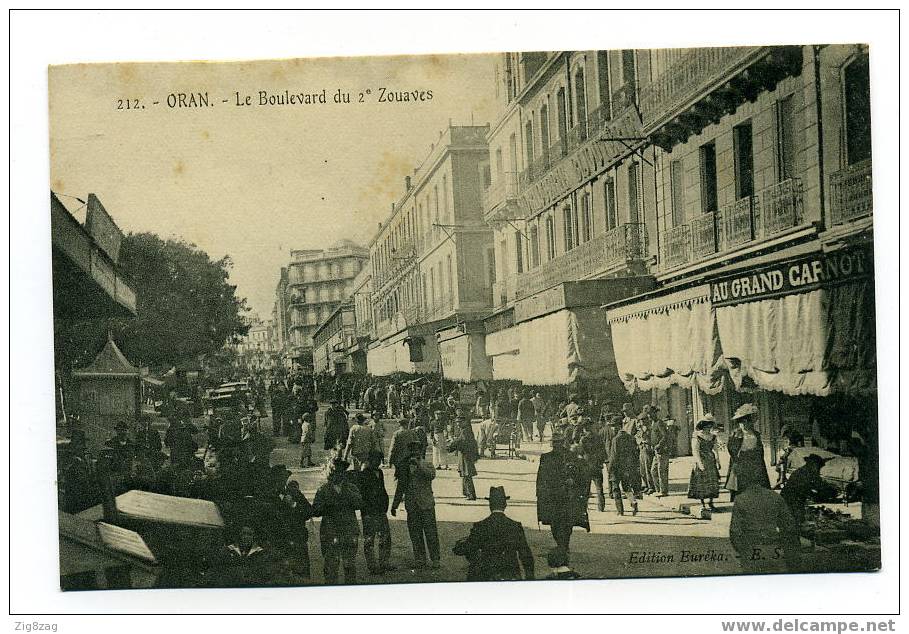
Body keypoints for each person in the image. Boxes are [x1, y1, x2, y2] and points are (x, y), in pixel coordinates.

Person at [452, 486, 534, 581]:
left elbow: (468, 547)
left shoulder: (481, 526)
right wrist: (530, 576)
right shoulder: (515, 526)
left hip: (487, 574)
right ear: (505, 505)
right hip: (510, 574)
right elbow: (525, 554)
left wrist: (458, 547)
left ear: (490, 505)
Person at [536, 429, 590, 562]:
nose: (557, 445)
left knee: (567, 522)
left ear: (563, 442)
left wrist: (573, 481)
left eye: (559, 442)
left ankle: (564, 545)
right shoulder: (546, 457)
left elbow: (581, 475)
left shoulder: (571, 456)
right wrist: (540, 493)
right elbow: (541, 477)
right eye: (555, 443)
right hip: (552, 495)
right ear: (552, 444)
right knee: (554, 522)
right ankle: (561, 545)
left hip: (568, 495)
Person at [729, 473, 800, 573]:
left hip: (751, 548)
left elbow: (734, 531)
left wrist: (742, 550)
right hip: (774, 548)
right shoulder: (776, 497)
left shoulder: (740, 499)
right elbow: (789, 525)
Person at [390, 440, 441, 569]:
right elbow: (400, 487)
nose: (414, 454)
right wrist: (395, 505)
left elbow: (431, 475)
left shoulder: (427, 464)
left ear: (421, 452)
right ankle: (420, 559)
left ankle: (435, 559)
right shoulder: (404, 466)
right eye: (412, 451)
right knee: (415, 534)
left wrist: (419, 465)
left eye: (417, 451)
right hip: (412, 505)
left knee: (431, 533)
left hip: (426, 504)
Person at [312, 457, 363, 584]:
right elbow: (315, 511)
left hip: (348, 530)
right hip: (330, 532)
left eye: (339, 472)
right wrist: (326, 506)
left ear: (344, 473)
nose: (335, 474)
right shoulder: (323, 490)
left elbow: (359, 504)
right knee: (331, 566)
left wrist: (347, 492)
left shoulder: (351, 488)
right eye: (333, 471)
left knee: (349, 565)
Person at [356, 450, 394, 574]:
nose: (377, 463)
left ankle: (384, 562)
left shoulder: (380, 473)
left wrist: (385, 504)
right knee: (369, 539)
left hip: (380, 510)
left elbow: (382, 489)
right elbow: (362, 494)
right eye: (375, 460)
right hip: (369, 511)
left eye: (379, 460)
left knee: (385, 537)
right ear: (370, 460)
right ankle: (372, 566)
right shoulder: (364, 474)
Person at [726, 403, 771, 501]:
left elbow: (760, 448)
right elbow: (731, 447)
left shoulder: (755, 434)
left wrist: (758, 458)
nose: (743, 425)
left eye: (746, 422)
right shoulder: (736, 434)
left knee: (756, 481)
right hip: (742, 460)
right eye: (741, 423)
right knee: (742, 482)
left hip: (754, 461)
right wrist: (736, 459)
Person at [780, 453, 838, 529]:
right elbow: (818, 486)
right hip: (791, 500)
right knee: (795, 522)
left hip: (793, 499)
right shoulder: (806, 473)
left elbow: (817, 485)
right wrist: (831, 491)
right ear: (813, 464)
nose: (819, 470)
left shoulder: (805, 471)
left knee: (795, 522)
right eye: (819, 467)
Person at [609, 418, 643, 516]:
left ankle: (620, 511)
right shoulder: (630, 438)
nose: (612, 428)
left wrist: (610, 468)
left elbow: (614, 456)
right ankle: (633, 502)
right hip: (627, 467)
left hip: (617, 467)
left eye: (613, 426)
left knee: (615, 488)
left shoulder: (616, 439)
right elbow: (635, 453)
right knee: (627, 487)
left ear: (617, 427)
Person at [280, 479, 314, 578]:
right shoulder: (279, 498)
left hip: (298, 536)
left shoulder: (298, 496)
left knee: (301, 567)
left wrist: (294, 505)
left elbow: (309, 512)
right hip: (285, 537)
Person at [687, 415, 721, 511]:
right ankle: (703, 504)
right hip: (701, 460)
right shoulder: (697, 436)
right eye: (706, 425)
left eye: (710, 425)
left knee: (712, 482)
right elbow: (695, 451)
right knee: (701, 483)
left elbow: (715, 449)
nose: (708, 428)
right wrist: (700, 463)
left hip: (710, 460)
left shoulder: (713, 436)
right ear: (702, 425)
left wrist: (718, 460)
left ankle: (711, 502)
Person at [447, 413, 479, 501]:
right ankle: (466, 492)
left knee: (467, 474)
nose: (458, 424)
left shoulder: (465, 431)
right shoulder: (465, 430)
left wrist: (452, 446)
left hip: (466, 455)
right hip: (464, 454)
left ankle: (471, 494)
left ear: (464, 422)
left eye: (460, 422)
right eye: (457, 422)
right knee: (464, 474)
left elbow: (461, 442)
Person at [649, 410, 673, 497]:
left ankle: (663, 491)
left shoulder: (659, 423)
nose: (649, 416)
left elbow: (665, 436)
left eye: (651, 414)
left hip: (662, 451)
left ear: (655, 414)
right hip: (656, 451)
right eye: (649, 415)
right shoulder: (653, 424)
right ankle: (658, 489)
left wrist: (659, 445)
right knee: (653, 470)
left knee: (661, 470)